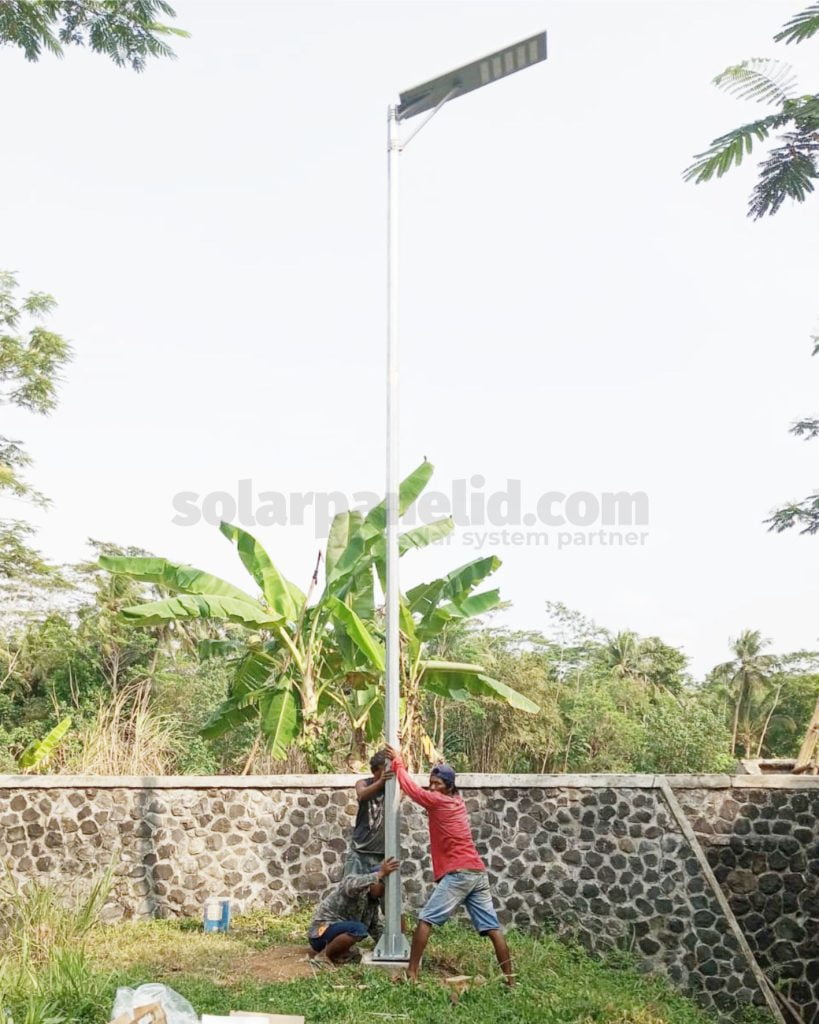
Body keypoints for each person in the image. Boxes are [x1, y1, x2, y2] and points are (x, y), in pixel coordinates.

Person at [384, 744, 514, 986]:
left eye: (438, 784)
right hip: (477, 873)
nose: (433, 787)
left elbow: (411, 789)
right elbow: (419, 788)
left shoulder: (439, 802)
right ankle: (511, 980)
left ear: (449, 786)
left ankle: (411, 973)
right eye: (431, 783)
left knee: (425, 920)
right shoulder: (457, 802)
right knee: (492, 928)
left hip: (460, 873)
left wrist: (399, 762)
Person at [307, 857, 399, 966]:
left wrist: (388, 945)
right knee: (358, 929)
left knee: (359, 931)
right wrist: (380, 874)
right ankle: (322, 957)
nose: (384, 891)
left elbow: (374, 928)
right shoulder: (353, 884)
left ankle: (337, 954)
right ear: (374, 882)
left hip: (334, 935)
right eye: (383, 886)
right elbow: (349, 885)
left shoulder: (372, 903)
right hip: (320, 934)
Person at [343, 749, 391, 876]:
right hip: (360, 850)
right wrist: (380, 782)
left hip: (381, 854)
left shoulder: (392, 789)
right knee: (350, 888)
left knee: (376, 892)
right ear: (375, 771)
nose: (389, 773)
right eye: (384, 770)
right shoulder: (363, 783)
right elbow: (362, 794)